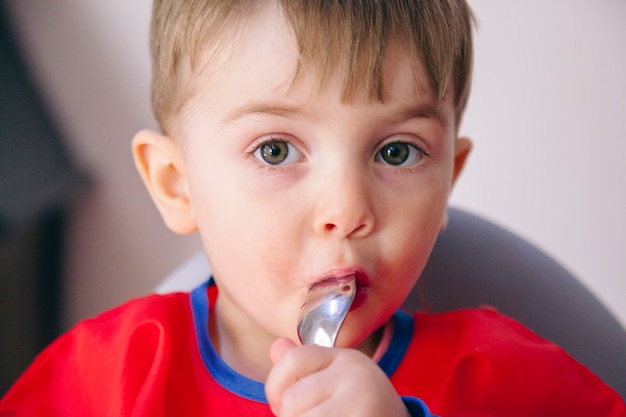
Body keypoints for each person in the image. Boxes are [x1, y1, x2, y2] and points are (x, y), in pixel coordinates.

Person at [1, 1, 624, 416]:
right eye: (276, 150)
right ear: (176, 184)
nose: (347, 210)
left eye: (398, 151)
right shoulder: (109, 378)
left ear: (448, 185)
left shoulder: (499, 381)